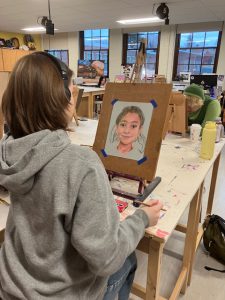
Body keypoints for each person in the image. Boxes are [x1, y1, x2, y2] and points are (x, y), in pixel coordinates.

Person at [0, 51, 163, 300]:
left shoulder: (9, 151)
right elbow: (106, 260)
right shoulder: (81, 163)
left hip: (13, 284)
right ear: (63, 98)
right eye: (70, 91)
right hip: (61, 294)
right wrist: (141, 218)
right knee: (128, 258)